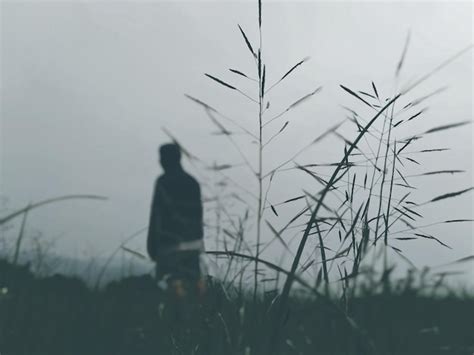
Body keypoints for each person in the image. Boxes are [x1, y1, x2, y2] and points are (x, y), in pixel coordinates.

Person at [147, 143, 204, 296]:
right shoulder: (193, 183)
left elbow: (156, 216)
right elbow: (198, 218)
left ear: (165, 160)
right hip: (193, 246)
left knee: (171, 291)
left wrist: (152, 247)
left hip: (169, 247)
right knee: (193, 291)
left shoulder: (163, 182)